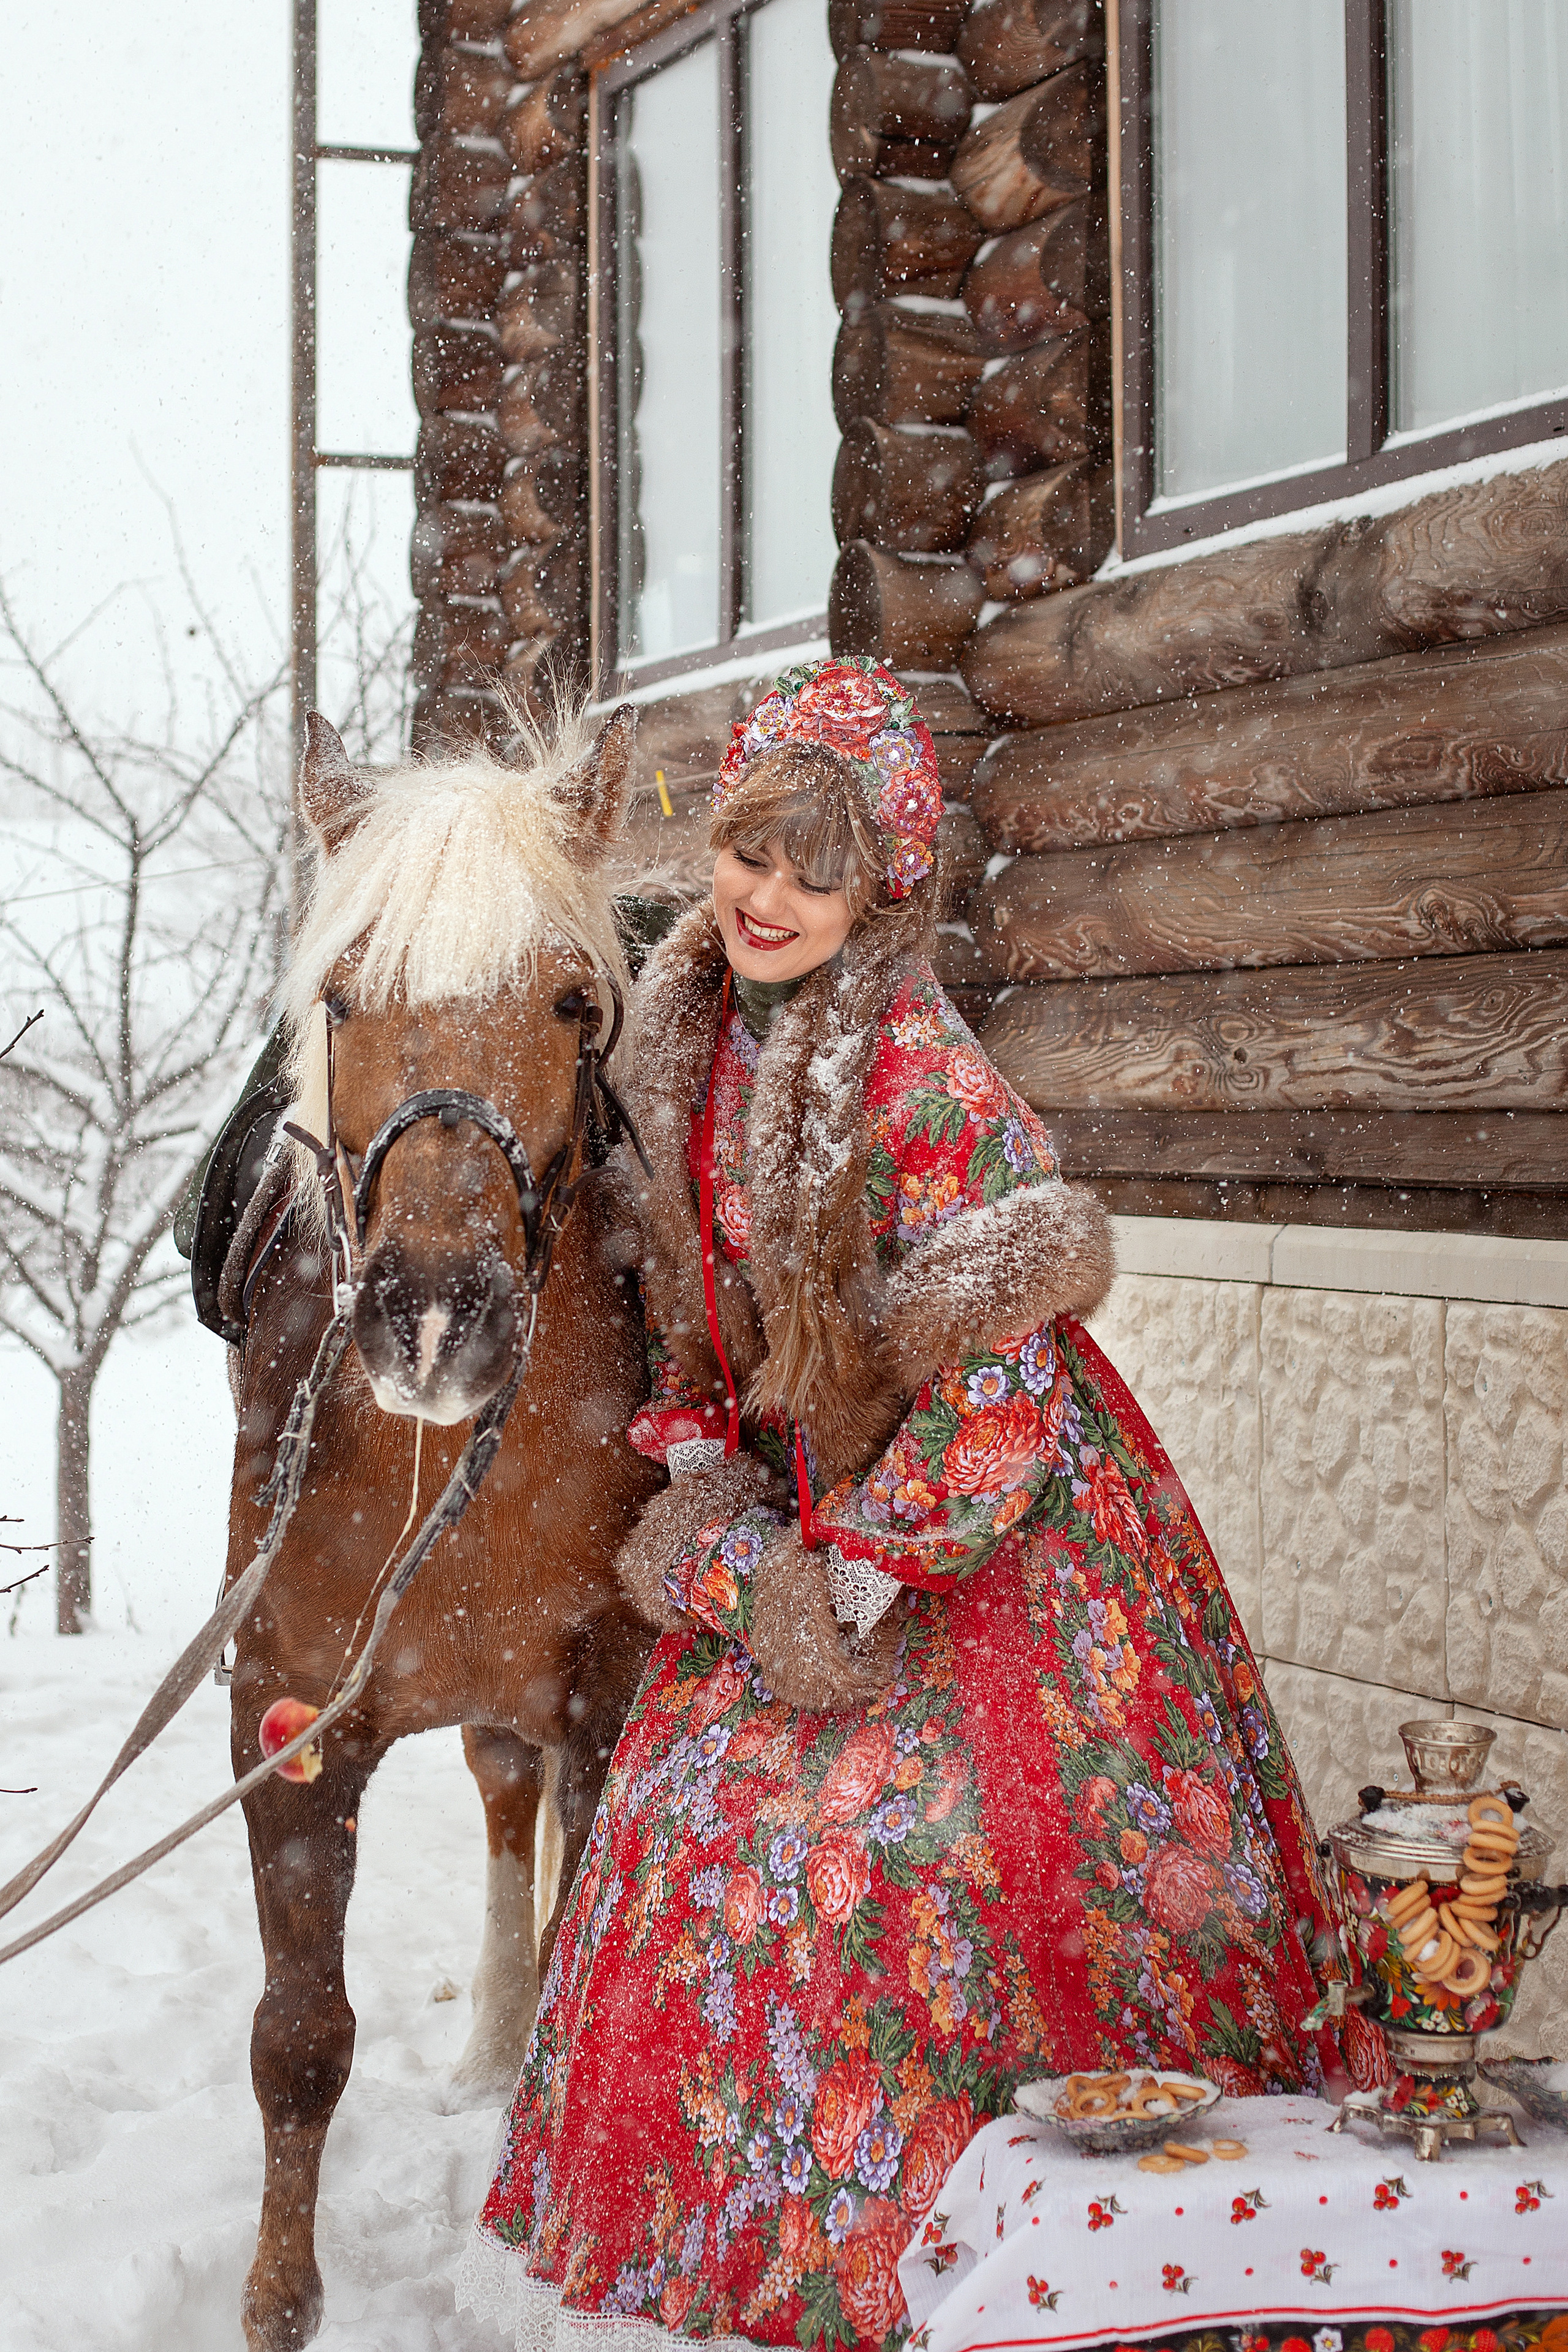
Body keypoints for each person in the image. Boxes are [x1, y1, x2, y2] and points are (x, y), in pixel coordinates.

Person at [459, 657, 1351, 2352]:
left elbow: (1002, 1374)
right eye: (748, 853)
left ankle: (963, 2247)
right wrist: (715, 1481)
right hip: (795, 1519)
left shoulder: (921, 1085)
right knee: (692, 1850)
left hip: (969, 1525)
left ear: (880, 890)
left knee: (887, 1869)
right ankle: (701, 2230)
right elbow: (702, 1313)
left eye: (815, 868)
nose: (769, 898)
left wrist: (864, 1569)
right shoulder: (694, 1044)